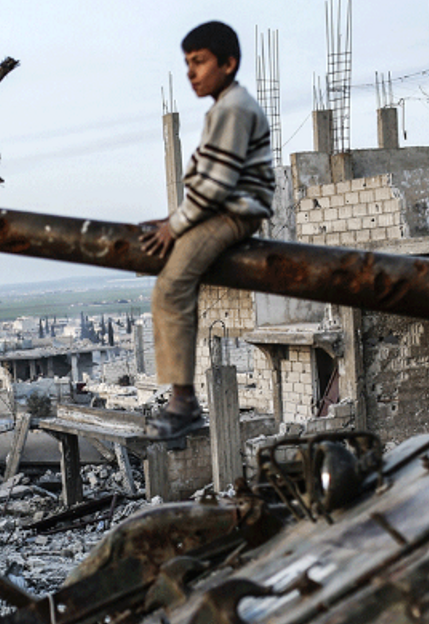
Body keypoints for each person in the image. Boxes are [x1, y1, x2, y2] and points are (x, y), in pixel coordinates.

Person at [140, 20, 276, 439]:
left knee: (172, 284)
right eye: (187, 64)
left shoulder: (233, 109)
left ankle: (183, 401)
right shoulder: (224, 107)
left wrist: (175, 226)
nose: (191, 73)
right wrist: (175, 220)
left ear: (229, 63)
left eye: (199, 62)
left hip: (233, 212)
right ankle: (181, 395)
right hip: (222, 209)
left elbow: (215, 185)